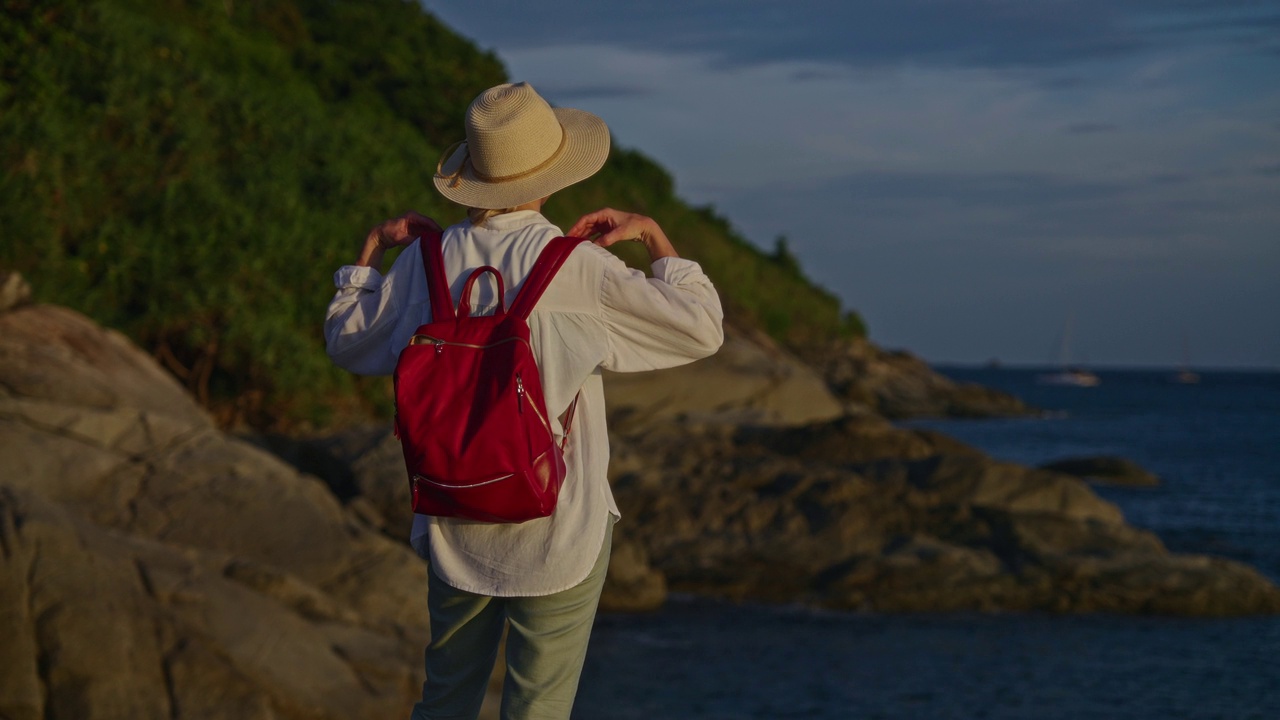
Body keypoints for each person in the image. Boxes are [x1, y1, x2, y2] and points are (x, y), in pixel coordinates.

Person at [323, 82, 724, 720]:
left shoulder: (430, 261)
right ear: (553, 172)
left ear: (474, 175)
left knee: (446, 701)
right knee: (538, 708)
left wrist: (373, 249)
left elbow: (347, 343)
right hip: (558, 526)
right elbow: (702, 327)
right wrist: (650, 235)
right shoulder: (574, 266)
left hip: (455, 519)